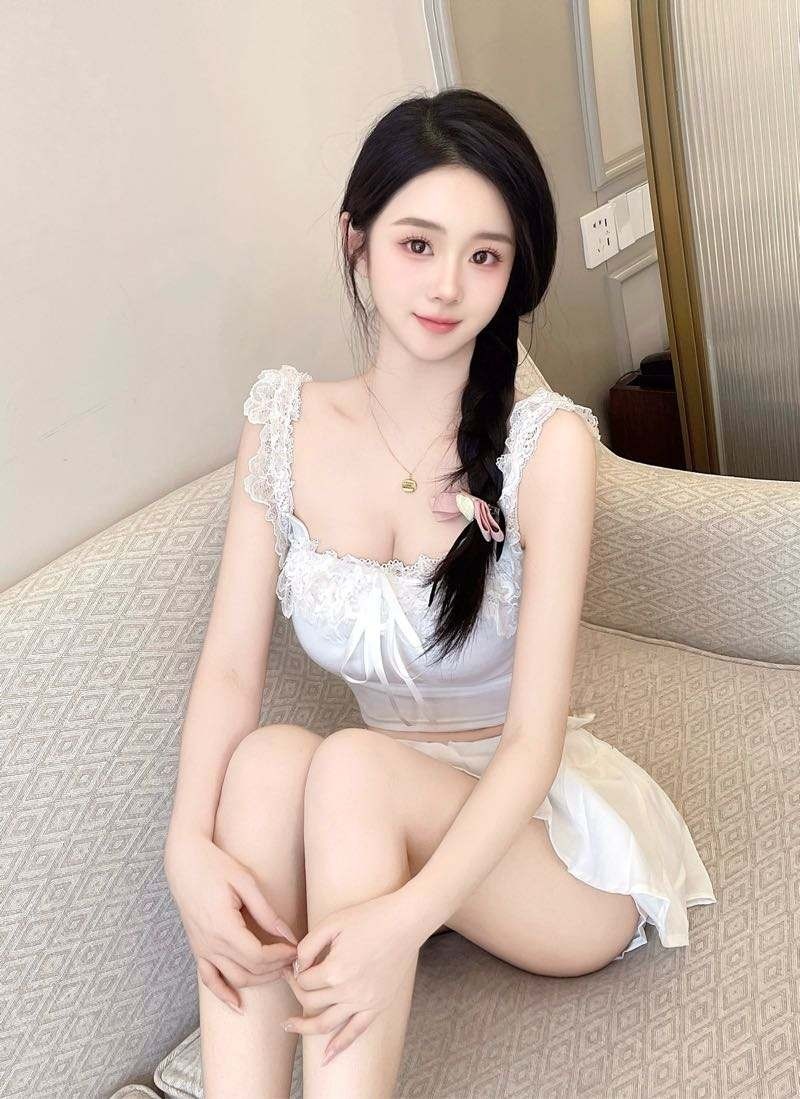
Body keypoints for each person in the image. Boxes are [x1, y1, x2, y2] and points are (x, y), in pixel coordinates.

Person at [163, 87, 716, 1097]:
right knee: (263, 764)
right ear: (357, 241)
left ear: (513, 273)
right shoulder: (281, 425)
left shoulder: (545, 446)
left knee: (350, 767)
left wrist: (401, 922)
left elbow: (532, 740)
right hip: (374, 820)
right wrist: (184, 849)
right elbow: (230, 671)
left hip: (535, 839)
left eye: (484, 255)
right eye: (417, 244)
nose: (447, 285)